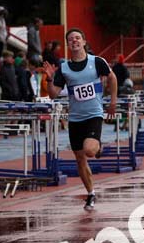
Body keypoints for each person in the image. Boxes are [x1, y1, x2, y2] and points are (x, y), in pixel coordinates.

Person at [43, 28, 117, 210]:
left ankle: (96, 146)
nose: (74, 41)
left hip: (94, 114)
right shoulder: (64, 68)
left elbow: (112, 77)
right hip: (75, 119)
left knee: (89, 151)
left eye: (77, 38)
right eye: (71, 39)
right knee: (79, 159)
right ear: (68, 45)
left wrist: (113, 102)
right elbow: (53, 95)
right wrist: (50, 79)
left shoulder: (97, 61)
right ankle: (91, 194)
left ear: (84, 41)